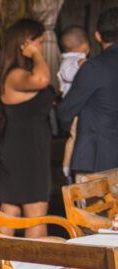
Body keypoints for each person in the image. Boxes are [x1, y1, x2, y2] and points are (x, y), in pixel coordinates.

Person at [0, 18, 53, 237]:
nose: (41, 48)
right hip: (26, 150)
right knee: (35, 214)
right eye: (39, 43)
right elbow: (42, 79)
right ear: (26, 44)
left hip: (26, 147)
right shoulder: (15, 75)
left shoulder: (19, 74)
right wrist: (36, 54)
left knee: (10, 211)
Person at [58, 8, 118, 177]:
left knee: (94, 204)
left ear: (98, 36)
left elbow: (65, 112)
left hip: (96, 159)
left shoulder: (93, 68)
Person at [57, 26, 90, 182]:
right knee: (75, 136)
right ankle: (67, 167)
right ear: (85, 45)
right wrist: (80, 64)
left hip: (78, 108)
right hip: (74, 110)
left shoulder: (72, 59)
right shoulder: (70, 61)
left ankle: (69, 167)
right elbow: (67, 73)